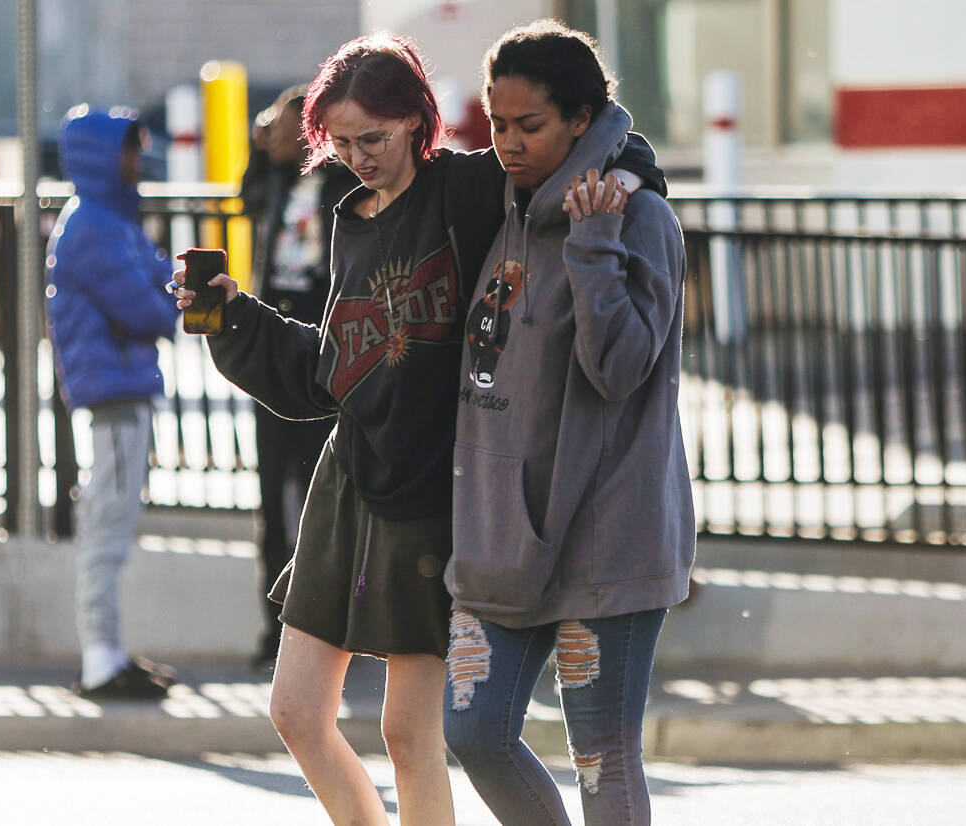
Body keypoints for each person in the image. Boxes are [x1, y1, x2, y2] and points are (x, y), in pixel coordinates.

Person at [171, 32, 664, 825]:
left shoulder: (466, 190)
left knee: (411, 733)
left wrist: (634, 173)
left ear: (416, 123)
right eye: (340, 142)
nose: (359, 156)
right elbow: (333, 371)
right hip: (350, 483)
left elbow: (584, 139)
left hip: (438, 491)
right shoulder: (352, 218)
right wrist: (233, 317)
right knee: (296, 713)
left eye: (375, 137)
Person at [441, 20, 694, 826]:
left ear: (581, 119)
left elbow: (616, 370)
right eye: (497, 123)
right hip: (501, 540)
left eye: (529, 126)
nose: (507, 143)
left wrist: (593, 243)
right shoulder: (505, 207)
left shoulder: (637, 217)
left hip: (603, 538)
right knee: (475, 731)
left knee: (600, 761)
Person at [46, 105, 180, 700]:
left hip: (119, 391)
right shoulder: (95, 226)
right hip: (114, 396)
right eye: (128, 148)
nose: (135, 159)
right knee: (107, 528)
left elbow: (159, 283)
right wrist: (170, 298)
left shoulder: (108, 219)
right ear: (105, 156)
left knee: (111, 524)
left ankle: (109, 652)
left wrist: (166, 291)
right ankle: (100, 659)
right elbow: (149, 305)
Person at [239, 85, 353, 669]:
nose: (271, 133)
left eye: (282, 126)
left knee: (320, 496)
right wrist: (259, 152)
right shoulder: (278, 182)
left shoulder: (339, 184)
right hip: (276, 347)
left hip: (323, 351)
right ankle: (273, 627)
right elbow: (247, 198)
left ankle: (330, 624)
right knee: (271, 496)